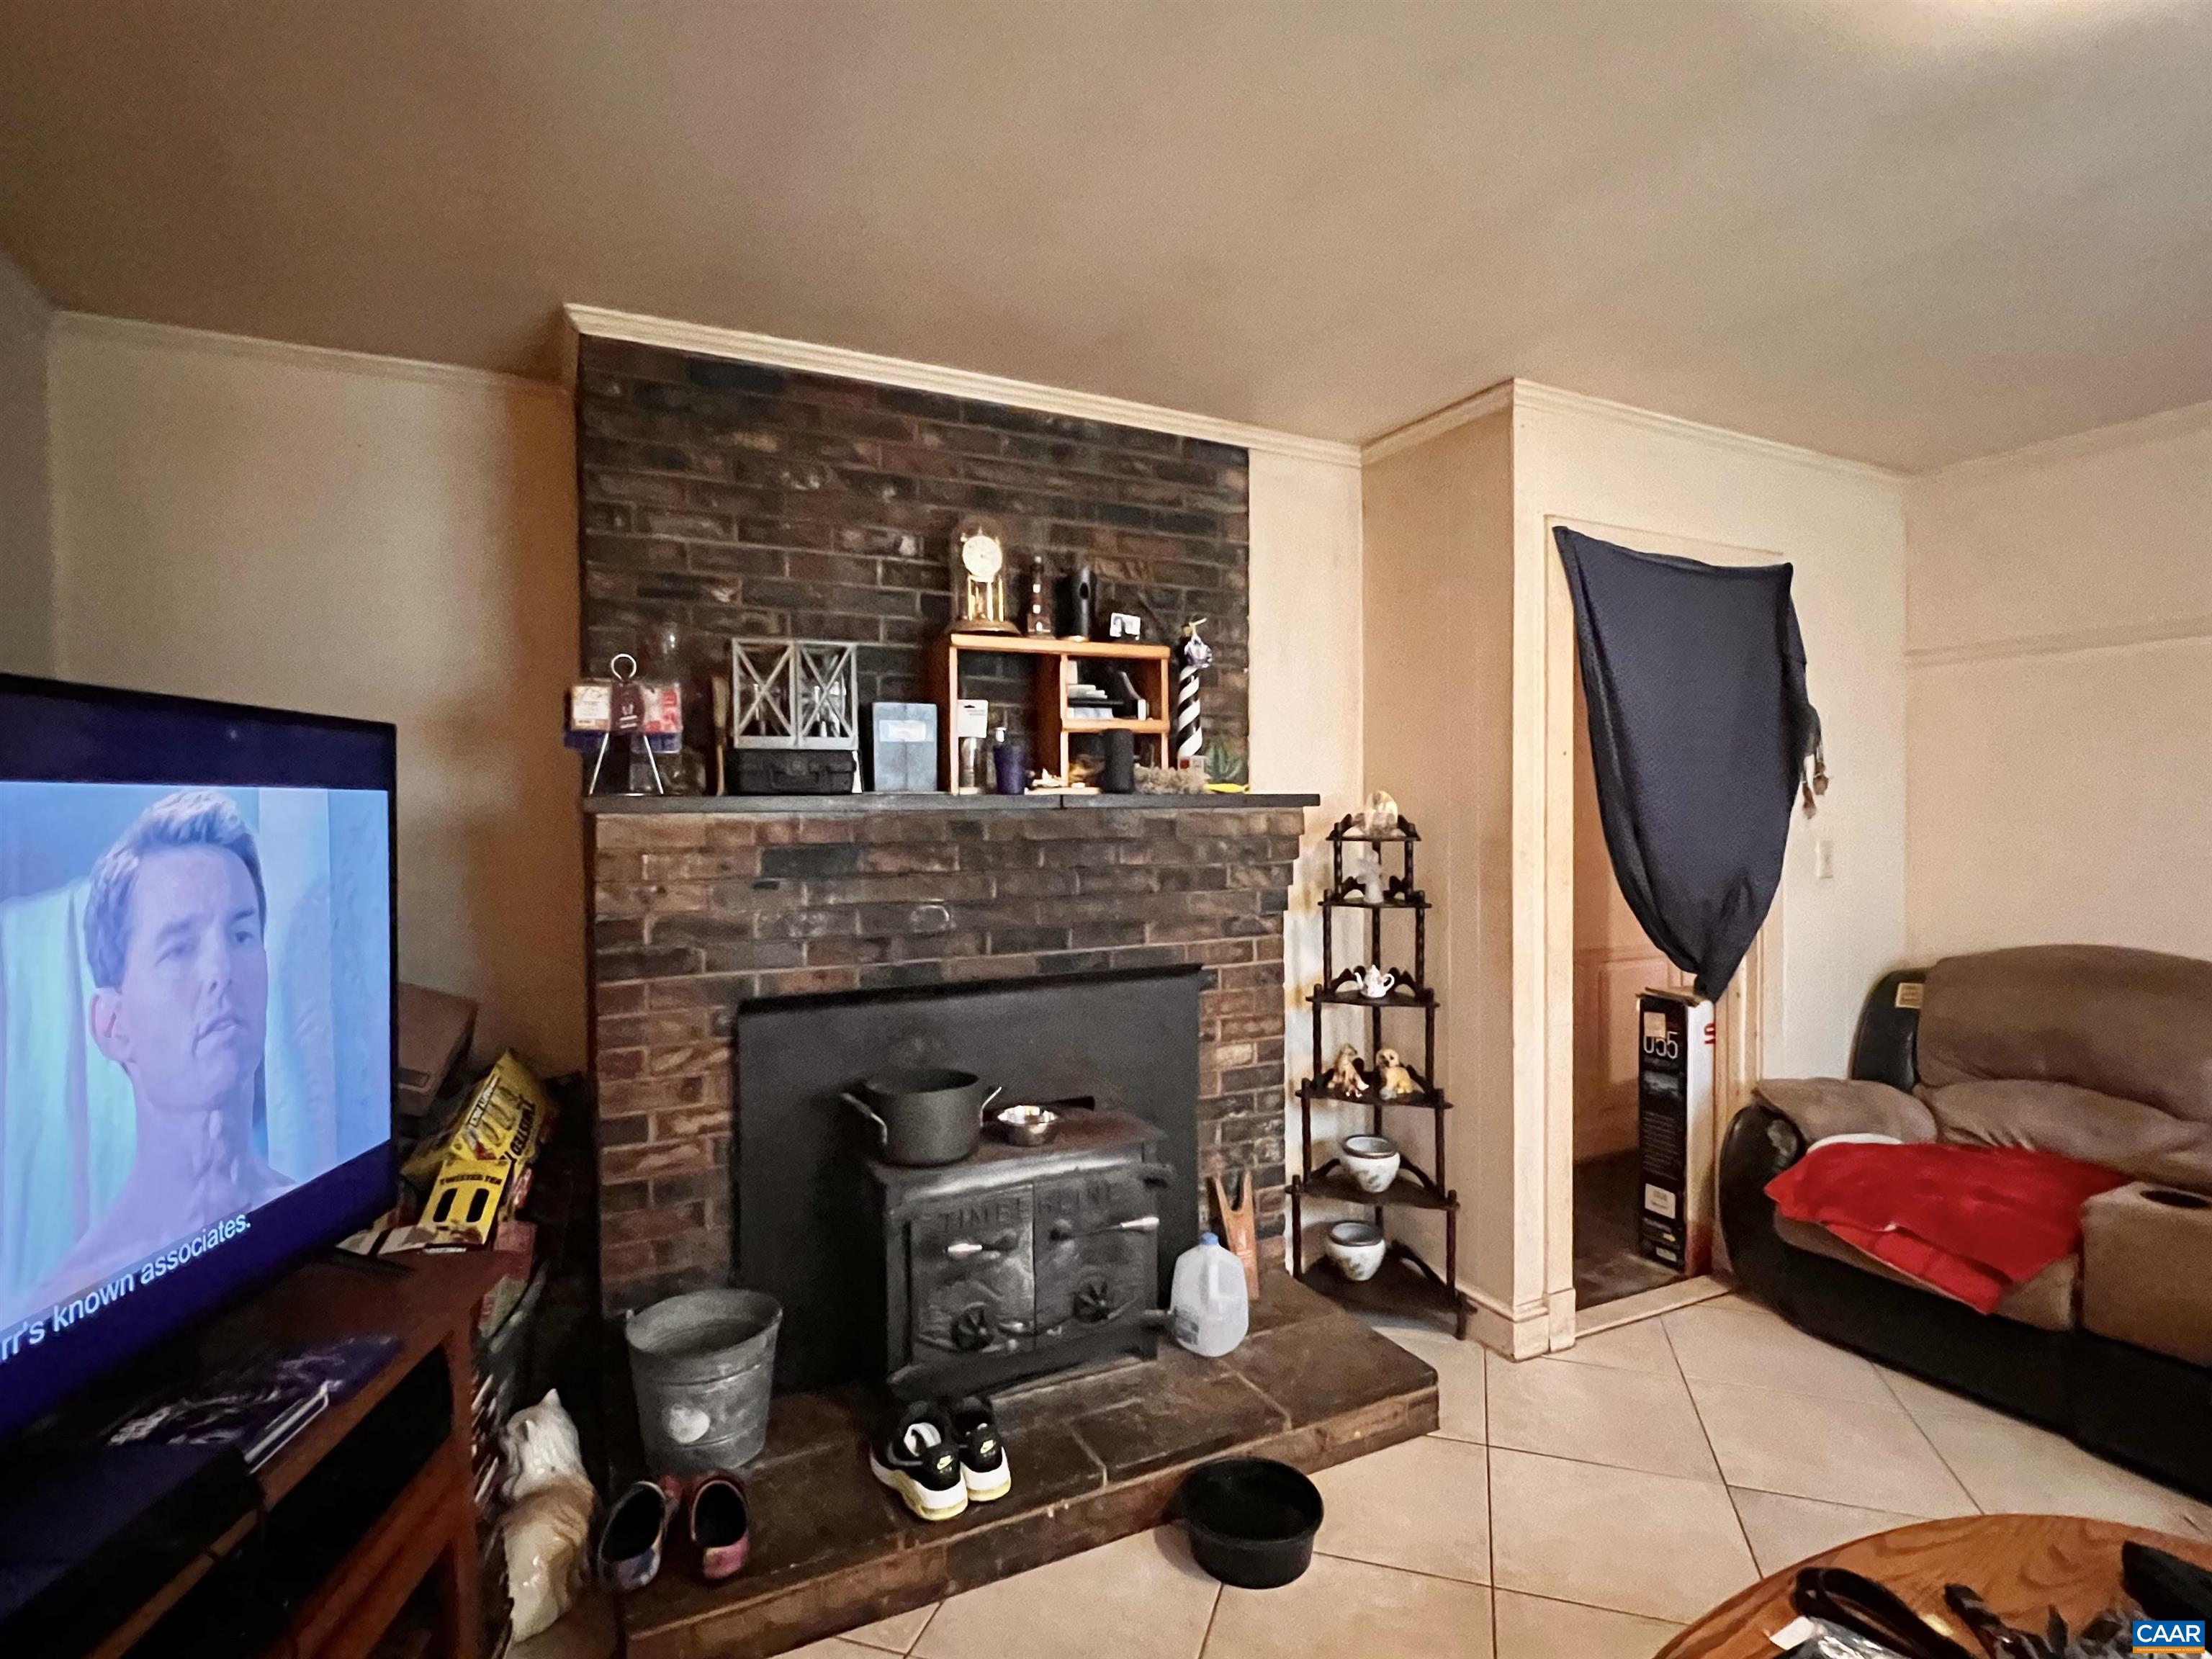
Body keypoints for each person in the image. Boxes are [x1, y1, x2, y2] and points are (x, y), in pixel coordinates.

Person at [24, 790, 290, 1313]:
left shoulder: (307, 1209)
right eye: (180, 948)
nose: (222, 971)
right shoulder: (62, 1309)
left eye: (241, 934)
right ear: (113, 1025)